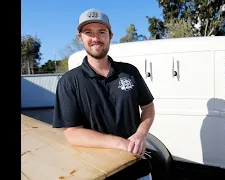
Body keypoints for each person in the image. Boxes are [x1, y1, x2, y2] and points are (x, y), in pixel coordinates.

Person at [52, 8, 155, 180]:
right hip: (97, 173)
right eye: (88, 32)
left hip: (138, 170)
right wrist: (119, 142)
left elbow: (148, 107)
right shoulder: (69, 82)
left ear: (110, 35)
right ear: (80, 38)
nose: (96, 38)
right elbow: (73, 133)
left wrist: (140, 134)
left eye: (101, 32)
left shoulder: (129, 72)